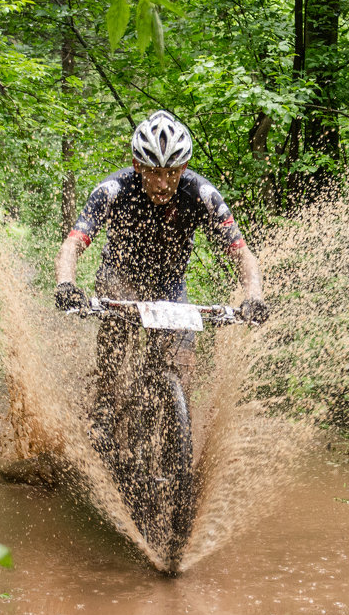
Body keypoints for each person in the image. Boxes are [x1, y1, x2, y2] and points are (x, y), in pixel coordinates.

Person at [53, 110, 268, 446]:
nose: (162, 183)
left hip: (170, 286)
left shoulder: (201, 193)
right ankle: (105, 405)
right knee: (116, 335)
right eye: (153, 172)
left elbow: (242, 252)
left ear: (183, 169)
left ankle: (174, 439)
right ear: (138, 166)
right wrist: (66, 283)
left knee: (179, 366)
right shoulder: (113, 189)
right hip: (120, 278)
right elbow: (74, 243)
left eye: (171, 173)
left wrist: (253, 295)